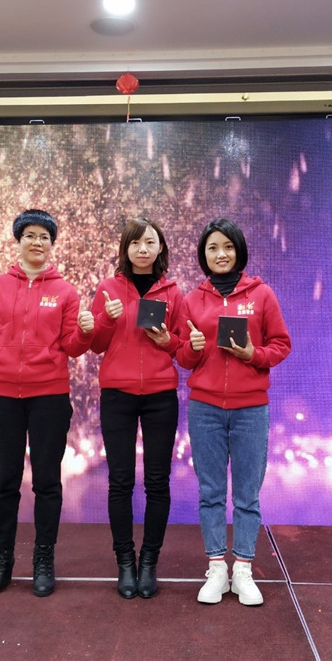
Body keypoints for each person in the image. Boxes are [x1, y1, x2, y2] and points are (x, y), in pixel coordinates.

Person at [0, 208, 94, 598]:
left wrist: (86, 333)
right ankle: (2, 562)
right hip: (3, 397)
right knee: (5, 483)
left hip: (49, 398)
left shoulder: (66, 292)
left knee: (47, 483)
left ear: (52, 244)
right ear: (19, 241)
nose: (37, 242)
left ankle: (43, 560)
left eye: (44, 237)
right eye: (30, 235)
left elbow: (72, 347)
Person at [177, 218, 291, 606]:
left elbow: (281, 344)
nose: (220, 254)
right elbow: (183, 357)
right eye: (212, 248)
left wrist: (253, 354)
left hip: (250, 409)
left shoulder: (261, 295)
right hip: (205, 408)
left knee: (247, 494)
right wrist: (192, 347)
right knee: (210, 492)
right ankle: (216, 569)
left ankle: (242, 569)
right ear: (203, 255)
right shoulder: (192, 300)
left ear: (238, 251)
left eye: (227, 246)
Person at [89, 217, 184, 599]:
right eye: (135, 243)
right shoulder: (108, 288)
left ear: (160, 248)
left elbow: (184, 349)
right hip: (118, 396)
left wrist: (167, 340)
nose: (142, 249)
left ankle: (149, 562)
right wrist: (105, 319)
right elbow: (95, 344)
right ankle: (125, 562)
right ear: (125, 249)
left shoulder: (174, 292)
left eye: (150, 242)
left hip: (161, 396)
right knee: (121, 482)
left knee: (157, 482)